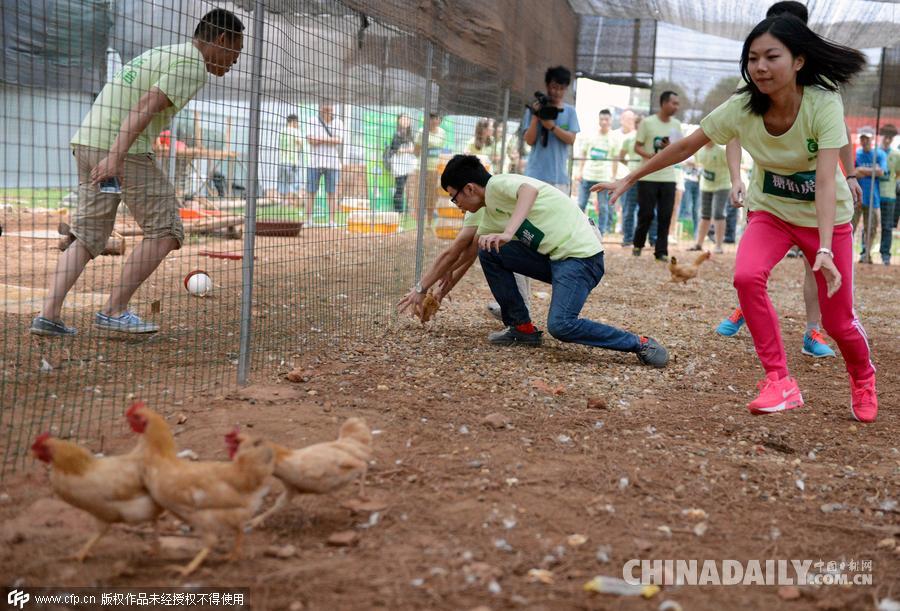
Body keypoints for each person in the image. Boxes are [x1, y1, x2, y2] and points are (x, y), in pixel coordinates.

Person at [593, 15, 877, 421]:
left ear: (798, 60)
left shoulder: (823, 102)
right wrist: (631, 175)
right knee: (746, 276)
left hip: (825, 222)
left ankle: (863, 377)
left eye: (771, 57)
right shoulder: (742, 105)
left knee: (838, 322)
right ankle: (779, 380)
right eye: (752, 58)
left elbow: (827, 182)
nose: (759, 66)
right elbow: (686, 146)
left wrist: (827, 248)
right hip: (773, 213)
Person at [30, 9, 244, 337]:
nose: (234, 62)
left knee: (87, 237)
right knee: (167, 230)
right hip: (120, 151)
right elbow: (145, 104)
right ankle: (114, 310)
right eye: (235, 51)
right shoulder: (192, 63)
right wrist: (116, 157)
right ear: (220, 39)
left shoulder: (164, 52)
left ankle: (49, 315)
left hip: (87, 142)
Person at [398, 155, 669, 369]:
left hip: (581, 260)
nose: (454, 203)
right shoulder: (489, 212)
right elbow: (461, 254)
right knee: (488, 251)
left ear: (469, 188)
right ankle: (522, 328)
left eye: (453, 196)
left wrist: (507, 232)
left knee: (561, 325)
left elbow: (529, 191)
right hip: (556, 260)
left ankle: (639, 343)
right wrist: (428, 291)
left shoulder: (499, 185)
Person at [714, 0, 857, 360]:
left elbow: (838, 136)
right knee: (752, 269)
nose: (762, 64)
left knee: (818, 263)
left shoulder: (824, 87)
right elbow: (729, 132)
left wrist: (851, 174)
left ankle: (813, 329)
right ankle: (746, 307)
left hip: (815, 195)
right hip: (770, 198)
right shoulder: (753, 80)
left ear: (801, 47)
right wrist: (736, 178)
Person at [632, 91, 683, 260]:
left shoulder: (676, 124)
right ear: (663, 103)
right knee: (645, 214)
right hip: (648, 176)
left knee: (665, 215)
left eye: (677, 104)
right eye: (673, 103)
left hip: (668, 177)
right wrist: (650, 156)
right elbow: (637, 147)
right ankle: (638, 245)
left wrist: (670, 148)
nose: (676, 107)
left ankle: (661, 251)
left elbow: (680, 149)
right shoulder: (647, 123)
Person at [522, 66, 580, 192]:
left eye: (562, 88)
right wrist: (536, 117)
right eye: (554, 87)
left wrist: (551, 127)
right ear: (547, 86)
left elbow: (571, 139)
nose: (557, 92)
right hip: (534, 175)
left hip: (558, 177)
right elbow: (529, 141)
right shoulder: (535, 108)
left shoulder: (570, 111)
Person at [575, 109, 618, 232]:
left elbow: (615, 159)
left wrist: (613, 177)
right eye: (601, 119)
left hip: (604, 178)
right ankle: (578, 230)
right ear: (599, 120)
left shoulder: (613, 137)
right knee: (581, 205)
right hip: (587, 176)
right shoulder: (590, 135)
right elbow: (583, 154)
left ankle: (601, 232)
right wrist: (580, 171)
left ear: (610, 121)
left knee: (603, 207)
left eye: (606, 119)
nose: (604, 122)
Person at [305, 102, 344, 227]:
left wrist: (319, 139)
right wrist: (328, 140)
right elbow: (311, 141)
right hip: (314, 163)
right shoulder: (312, 120)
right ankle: (309, 220)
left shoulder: (338, 122)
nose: (327, 107)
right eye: (324, 105)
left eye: (329, 105)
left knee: (332, 193)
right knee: (311, 192)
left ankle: (332, 220)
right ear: (320, 107)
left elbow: (338, 141)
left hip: (332, 164)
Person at [851, 127, 887, 264]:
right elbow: (853, 173)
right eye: (862, 138)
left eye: (867, 138)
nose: (864, 141)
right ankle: (848, 252)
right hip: (856, 198)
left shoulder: (879, 154)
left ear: (872, 139)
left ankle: (866, 254)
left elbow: (881, 172)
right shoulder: (857, 154)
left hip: (873, 198)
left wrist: (861, 169)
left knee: (871, 228)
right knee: (850, 227)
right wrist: (869, 171)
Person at [690, 141, 731, 253]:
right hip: (705, 185)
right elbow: (697, 164)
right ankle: (699, 244)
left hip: (723, 184)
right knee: (704, 215)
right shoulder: (700, 150)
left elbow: (731, 165)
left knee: (718, 213)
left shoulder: (721, 151)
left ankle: (718, 246)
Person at [414, 112, 447, 229]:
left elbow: (441, 150)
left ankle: (428, 224)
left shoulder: (442, 133)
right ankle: (419, 225)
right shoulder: (422, 132)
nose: (434, 121)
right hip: (421, 169)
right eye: (432, 118)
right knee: (419, 195)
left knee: (432, 197)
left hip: (435, 169)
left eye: (437, 118)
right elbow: (416, 151)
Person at [616, 111, 643, 246]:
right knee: (628, 209)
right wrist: (631, 165)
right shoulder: (629, 140)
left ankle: (645, 240)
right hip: (631, 178)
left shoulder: (649, 141)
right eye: (638, 124)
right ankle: (627, 239)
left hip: (646, 179)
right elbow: (621, 157)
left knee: (647, 211)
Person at [877, 124, 899, 264]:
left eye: (890, 137)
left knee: (887, 226)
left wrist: (891, 181)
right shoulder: (875, 152)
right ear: (881, 136)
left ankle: (885, 255)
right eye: (886, 136)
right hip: (873, 194)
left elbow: (898, 173)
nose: (887, 140)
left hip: (889, 196)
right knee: (870, 225)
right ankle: (864, 252)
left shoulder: (896, 155)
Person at [387, 113, 416, 214]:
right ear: (399, 121)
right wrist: (407, 149)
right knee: (399, 188)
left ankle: (401, 211)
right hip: (398, 165)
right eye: (403, 119)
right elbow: (396, 149)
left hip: (406, 165)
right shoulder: (397, 134)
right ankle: (398, 211)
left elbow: (413, 149)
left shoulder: (410, 135)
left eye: (407, 119)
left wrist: (406, 150)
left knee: (402, 187)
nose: (406, 121)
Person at [277, 114, 303, 206]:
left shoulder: (282, 131)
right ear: (293, 121)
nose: (297, 124)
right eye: (297, 122)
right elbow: (300, 144)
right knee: (292, 182)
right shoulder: (296, 131)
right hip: (292, 161)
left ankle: (283, 201)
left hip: (282, 161)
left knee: (282, 181)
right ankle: (290, 201)